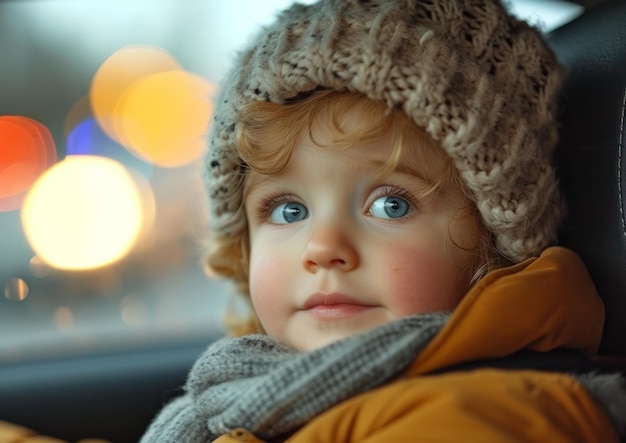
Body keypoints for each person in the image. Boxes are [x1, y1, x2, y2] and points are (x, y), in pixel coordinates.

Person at [141, 0, 626, 441]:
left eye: (390, 205)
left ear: (492, 246)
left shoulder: (478, 415)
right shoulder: (266, 394)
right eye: (289, 210)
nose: (323, 247)